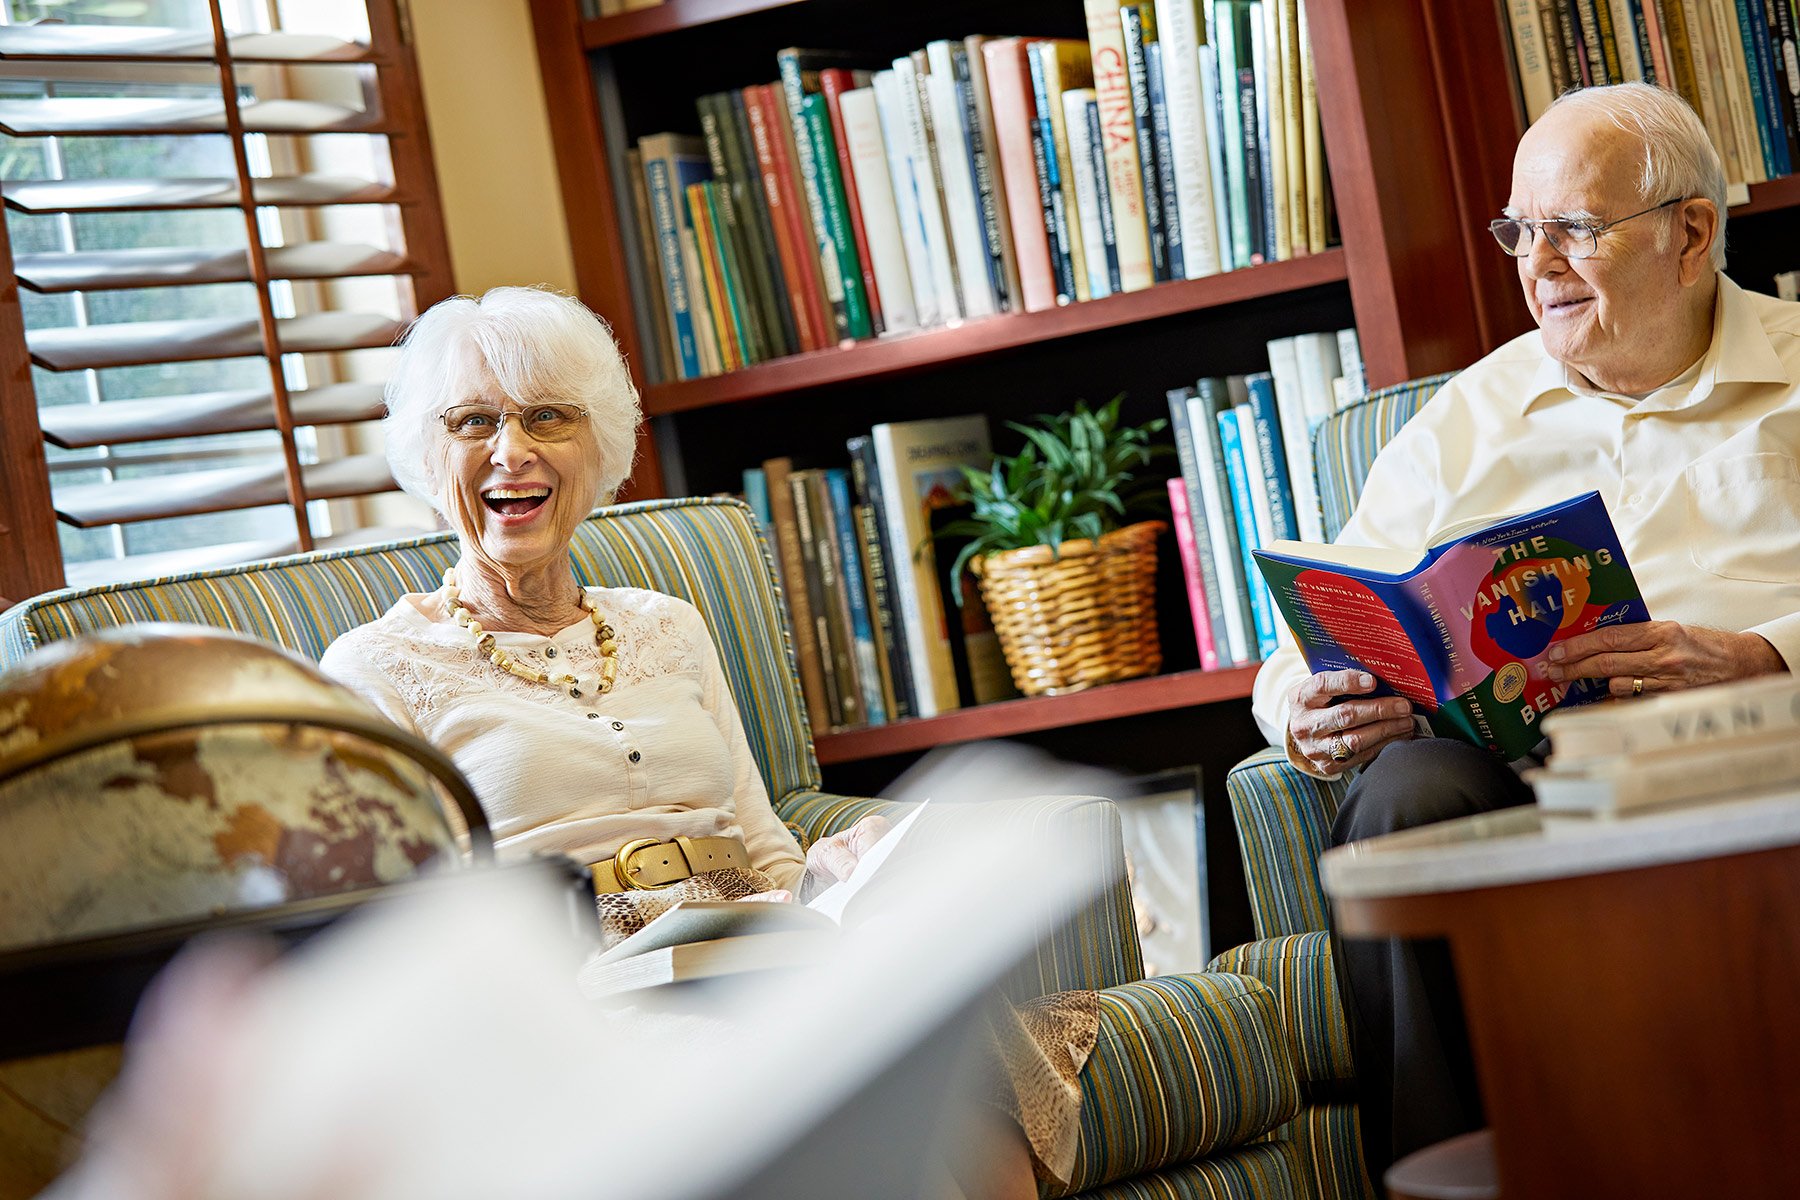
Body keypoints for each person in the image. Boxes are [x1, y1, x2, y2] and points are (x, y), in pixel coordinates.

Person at [320, 287, 1085, 1199]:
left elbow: (764, 845)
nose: (510, 450)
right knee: (770, 1068)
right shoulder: (376, 666)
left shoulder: (669, 626)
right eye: (472, 420)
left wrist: (838, 871)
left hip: (755, 932)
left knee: (926, 1017)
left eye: (547, 417)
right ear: (425, 450)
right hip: (585, 976)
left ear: (597, 446)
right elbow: (419, 929)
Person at [1250, 82, 1800, 1190]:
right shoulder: (1468, 416)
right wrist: (1303, 708)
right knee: (1404, 796)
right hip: (1529, 783)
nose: (1538, 263)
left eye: (1576, 228)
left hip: (1752, 765)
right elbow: (1313, 634)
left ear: (1690, 234)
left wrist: (1766, 656)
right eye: (1519, 230)